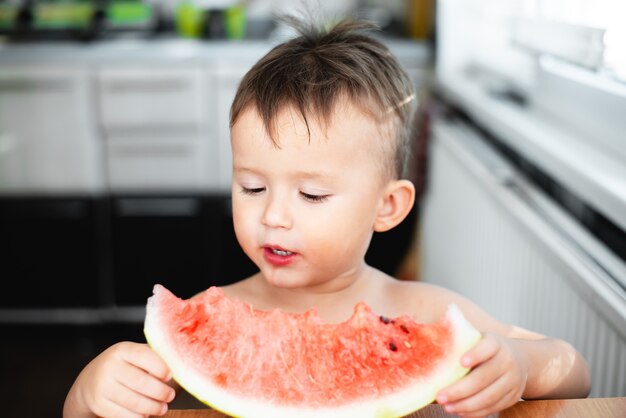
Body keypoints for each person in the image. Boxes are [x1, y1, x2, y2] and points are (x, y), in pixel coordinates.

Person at [63, 17, 591, 418]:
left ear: (388, 207)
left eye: (311, 194)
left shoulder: (428, 310)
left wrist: (523, 367)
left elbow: (575, 370)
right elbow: (93, 408)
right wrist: (89, 392)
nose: (272, 214)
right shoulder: (211, 312)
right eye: (251, 186)